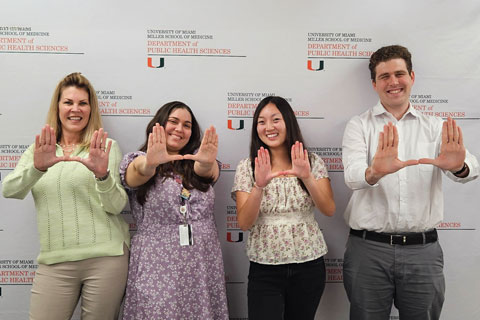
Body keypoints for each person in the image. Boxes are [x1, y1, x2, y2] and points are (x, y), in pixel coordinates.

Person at [342, 45, 479, 320]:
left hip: (423, 252)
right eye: (384, 76)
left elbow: (472, 168)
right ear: (374, 83)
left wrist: (459, 166)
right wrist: (375, 172)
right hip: (369, 251)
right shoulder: (359, 126)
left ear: (412, 77)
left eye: (399, 74)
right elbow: (352, 176)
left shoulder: (437, 126)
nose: (393, 82)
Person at [2, 72, 130, 320]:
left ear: (91, 109)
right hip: (55, 261)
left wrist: (102, 176)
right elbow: (10, 190)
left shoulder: (105, 147)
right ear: (57, 107)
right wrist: (38, 168)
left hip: (106, 258)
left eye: (83, 103)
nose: (76, 109)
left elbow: (117, 206)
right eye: (68, 102)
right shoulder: (40, 149)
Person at [119, 101, 228, 320]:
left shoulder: (200, 159)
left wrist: (205, 163)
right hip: (156, 264)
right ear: (159, 124)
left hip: (201, 263)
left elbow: (207, 171)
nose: (180, 129)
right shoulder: (138, 160)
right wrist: (151, 163)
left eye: (187, 125)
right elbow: (135, 175)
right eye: (173, 121)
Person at [232, 96, 336, 320]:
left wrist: (307, 176)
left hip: (309, 264)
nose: (268, 127)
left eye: (275, 119)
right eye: (261, 121)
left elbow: (328, 209)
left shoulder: (312, 161)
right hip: (265, 267)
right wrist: (259, 185)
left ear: (288, 122)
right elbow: (244, 223)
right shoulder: (247, 167)